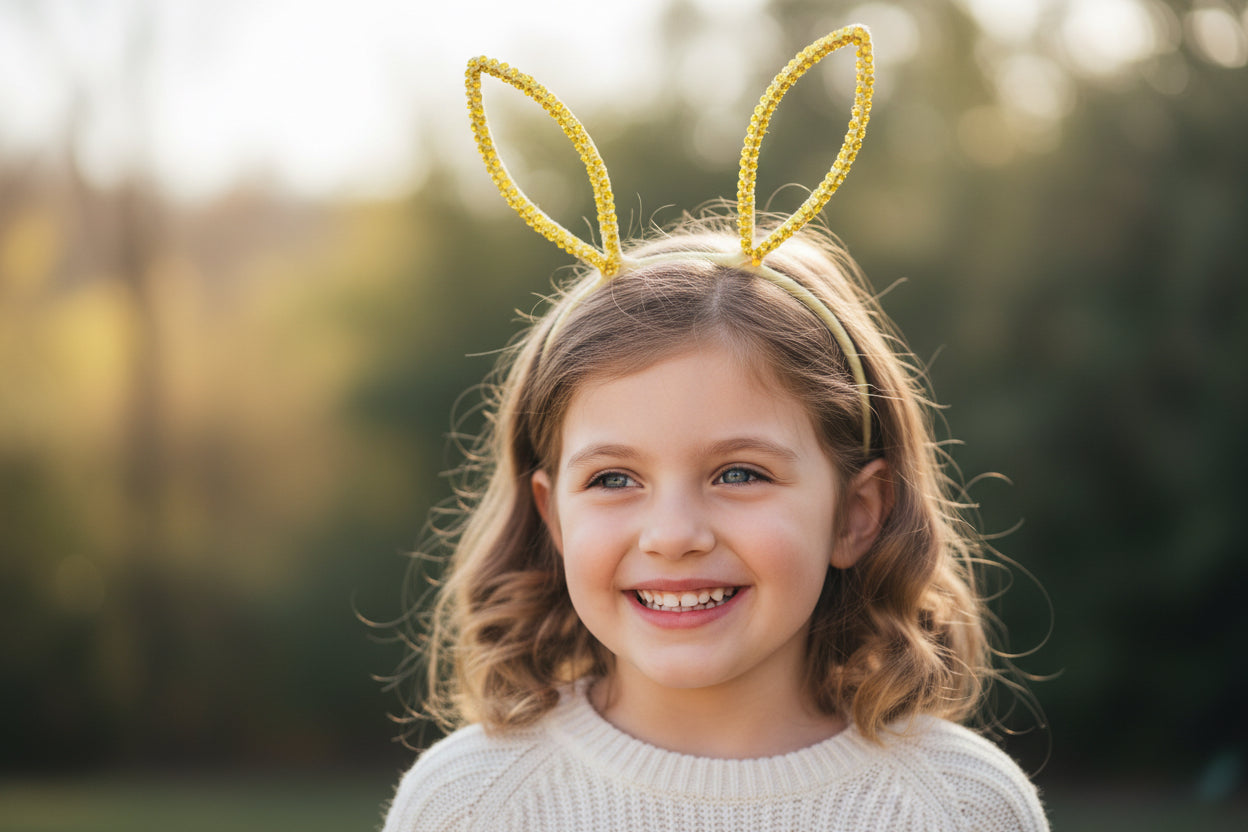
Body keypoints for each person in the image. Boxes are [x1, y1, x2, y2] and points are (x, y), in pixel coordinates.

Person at [382, 25, 1049, 832]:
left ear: (855, 512)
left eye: (739, 473)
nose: (673, 534)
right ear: (553, 514)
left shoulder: (957, 807)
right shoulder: (470, 804)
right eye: (613, 479)